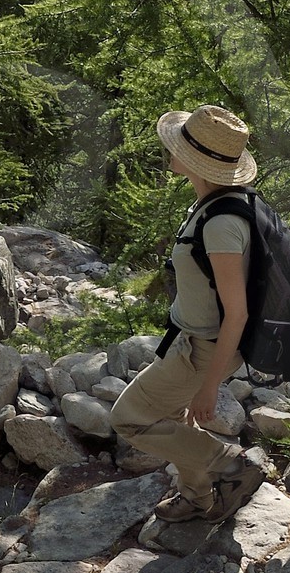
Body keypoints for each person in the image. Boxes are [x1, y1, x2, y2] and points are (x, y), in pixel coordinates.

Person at [108, 103, 268, 526]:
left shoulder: (220, 225)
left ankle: (232, 467)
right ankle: (197, 497)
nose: (169, 150)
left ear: (199, 160)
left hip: (204, 349)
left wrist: (211, 385)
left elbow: (237, 314)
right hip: (189, 340)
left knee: (128, 419)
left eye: (176, 146)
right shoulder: (217, 203)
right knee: (173, 420)